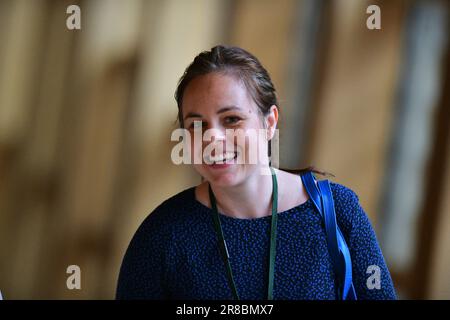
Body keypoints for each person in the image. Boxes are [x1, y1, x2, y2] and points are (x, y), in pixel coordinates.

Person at [116, 45, 396, 300]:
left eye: (231, 119)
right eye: (196, 125)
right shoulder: (162, 235)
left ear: (270, 122)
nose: (212, 138)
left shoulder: (337, 211)